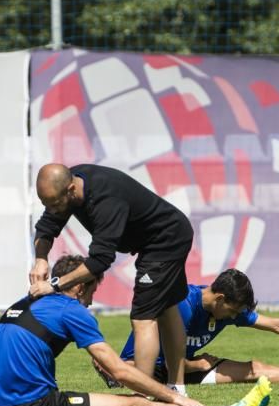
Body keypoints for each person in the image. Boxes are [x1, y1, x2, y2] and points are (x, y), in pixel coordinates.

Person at [0, 255, 272, 406]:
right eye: (93, 291)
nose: (92, 301)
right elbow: (119, 371)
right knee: (135, 405)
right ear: (79, 287)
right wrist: (173, 395)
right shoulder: (71, 311)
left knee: (127, 399)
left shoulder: (25, 301)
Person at [29, 163, 194, 393]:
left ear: (71, 190)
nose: (53, 210)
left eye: (55, 204)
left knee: (142, 318)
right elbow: (46, 228)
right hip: (156, 239)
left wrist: (55, 284)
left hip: (165, 240)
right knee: (167, 308)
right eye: (47, 205)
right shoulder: (63, 189)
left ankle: (142, 396)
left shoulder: (106, 200)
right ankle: (177, 387)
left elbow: (99, 261)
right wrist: (41, 259)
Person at [97, 268, 279, 388]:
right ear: (220, 299)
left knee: (257, 369)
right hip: (149, 368)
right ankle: (114, 374)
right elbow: (162, 362)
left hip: (185, 366)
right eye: (232, 311)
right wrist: (197, 365)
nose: (234, 317)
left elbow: (277, 325)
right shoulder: (182, 305)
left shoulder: (226, 312)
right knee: (128, 369)